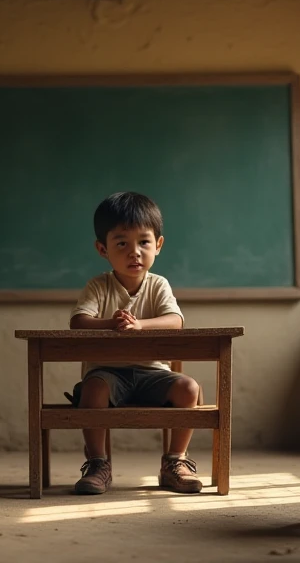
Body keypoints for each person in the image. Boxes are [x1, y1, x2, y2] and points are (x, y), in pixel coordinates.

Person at [68, 191, 203, 495]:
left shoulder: (158, 284)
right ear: (103, 249)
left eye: (143, 242)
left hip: (152, 373)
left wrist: (139, 324)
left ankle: (174, 462)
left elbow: (175, 321)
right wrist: (110, 323)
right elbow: (79, 321)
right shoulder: (98, 286)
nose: (134, 252)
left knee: (189, 388)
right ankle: (98, 463)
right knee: (93, 388)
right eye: (121, 244)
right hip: (108, 373)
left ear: (159, 244)